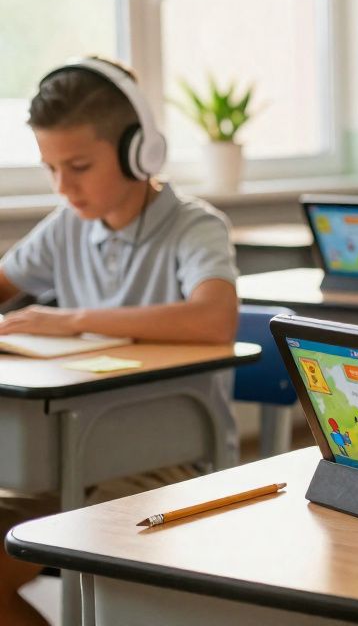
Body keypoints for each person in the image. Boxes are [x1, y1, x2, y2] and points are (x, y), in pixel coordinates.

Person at [0, 57, 240, 626]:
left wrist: (72, 319)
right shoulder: (65, 227)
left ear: (139, 150)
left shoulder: (193, 225)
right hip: (62, 457)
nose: (64, 186)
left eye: (79, 166)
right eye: (50, 168)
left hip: (167, 459)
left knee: (106, 581)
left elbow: (214, 318)